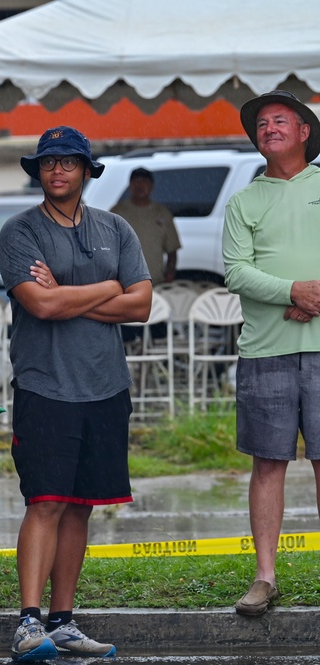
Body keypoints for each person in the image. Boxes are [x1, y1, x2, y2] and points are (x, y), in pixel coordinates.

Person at [0, 127, 151, 661]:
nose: (57, 170)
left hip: (106, 385)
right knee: (46, 501)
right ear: (38, 172)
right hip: (45, 384)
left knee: (81, 506)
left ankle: (62, 622)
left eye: (68, 162)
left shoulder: (117, 228)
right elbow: (40, 307)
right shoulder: (20, 232)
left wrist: (66, 293)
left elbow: (142, 305)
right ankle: (28, 623)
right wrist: (109, 287)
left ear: (87, 171)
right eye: (47, 163)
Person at [223, 90, 320, 617]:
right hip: (266, 351)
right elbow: (236, 271)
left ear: (305, 132)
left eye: (280, 120)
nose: (269, 128)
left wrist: (313, 295)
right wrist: (292, 292)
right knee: (268, 464)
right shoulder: (244, 201)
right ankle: (265, 576)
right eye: (262, 123)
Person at [110, 167, 180, 287]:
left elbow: (172, 249)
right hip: (125, 283)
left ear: (152, 186)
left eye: (144, 182)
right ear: (130, 186)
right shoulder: (117, 212)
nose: (140, 185)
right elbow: (108, 249)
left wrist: (170, 273)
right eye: (136, 182)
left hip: (157, 282)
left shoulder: (162, 213)